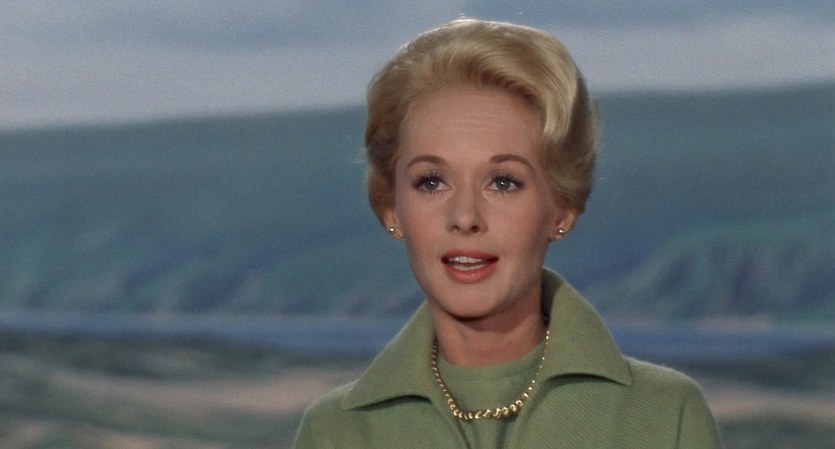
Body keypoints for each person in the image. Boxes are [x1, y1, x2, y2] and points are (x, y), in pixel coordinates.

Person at [294, 18, 722, 448]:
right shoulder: (336, 432)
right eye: (432, 182)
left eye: (503, 182)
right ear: (392, 207)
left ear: (562, 207)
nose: (465, 217)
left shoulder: (664, 415)